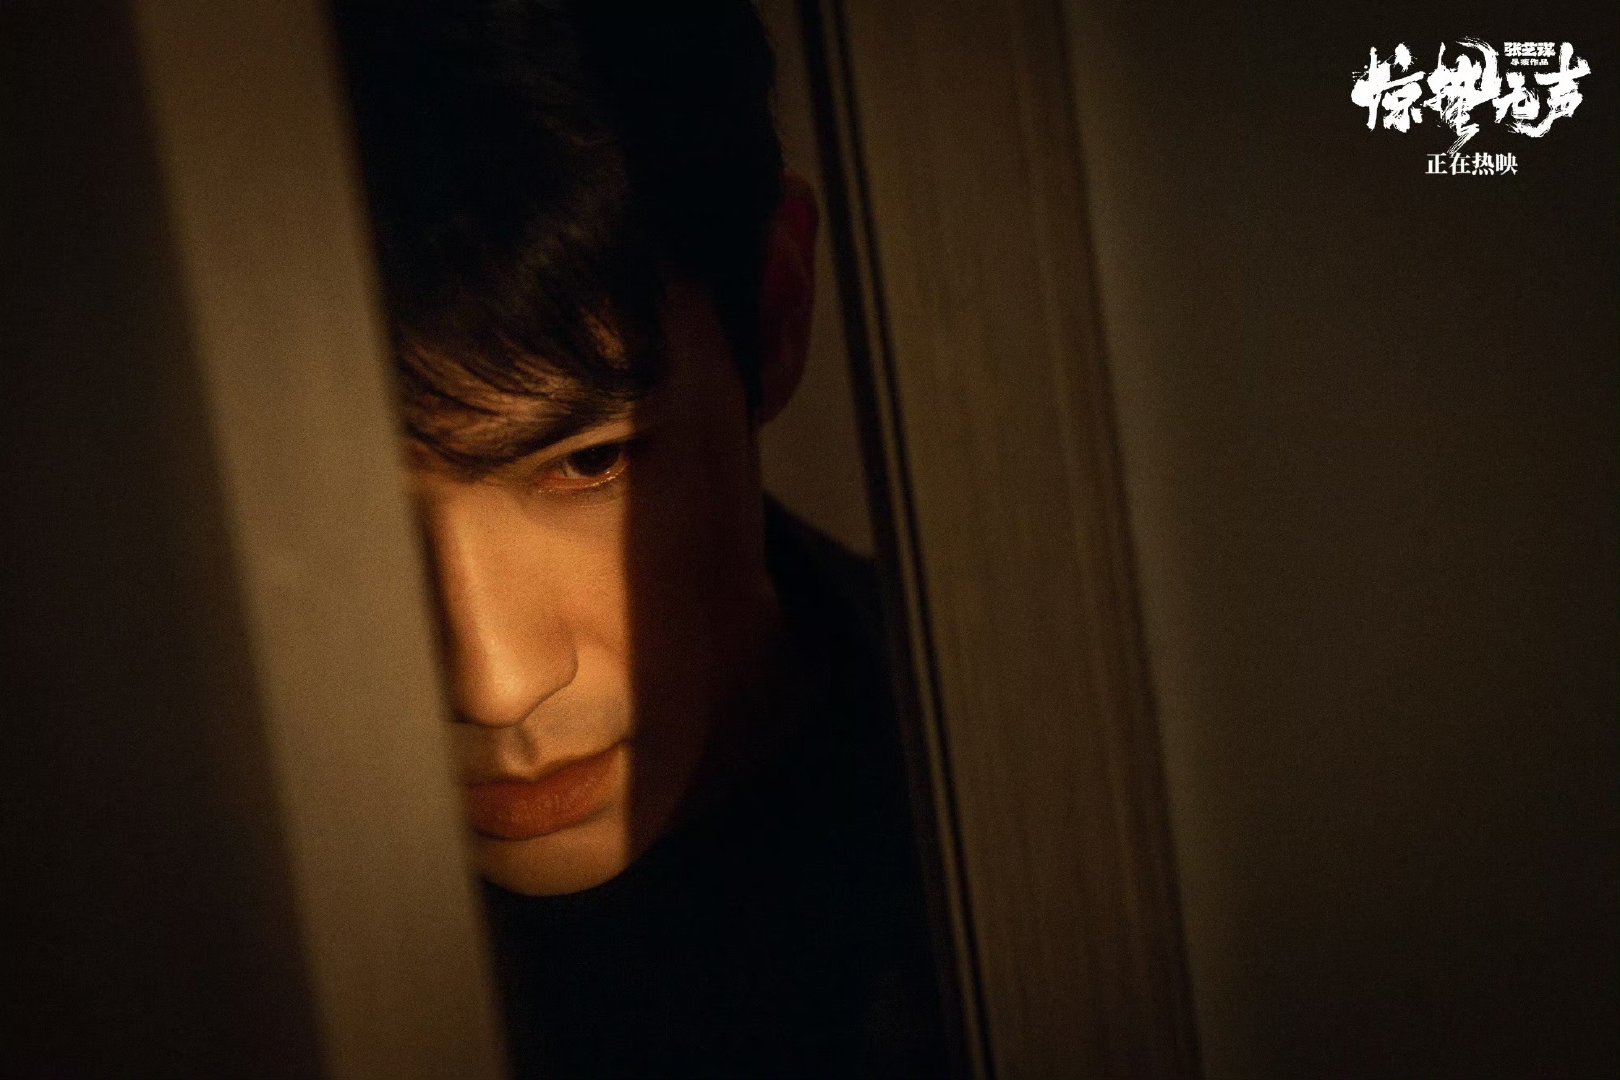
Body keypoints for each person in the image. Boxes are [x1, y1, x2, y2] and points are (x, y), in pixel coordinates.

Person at [332, 3, 949, 1076]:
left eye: (589, 463)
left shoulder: (1021, 805)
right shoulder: (151, 922)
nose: (495, 684)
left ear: (776, 311)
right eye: (351, 509)